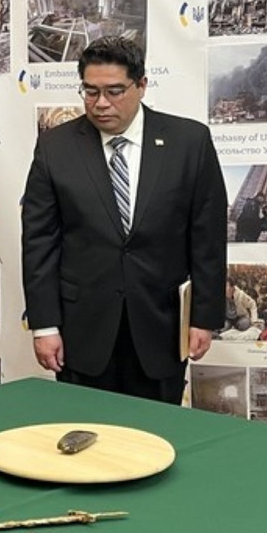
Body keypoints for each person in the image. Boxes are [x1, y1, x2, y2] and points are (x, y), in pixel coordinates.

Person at [20, 36, 227, 404]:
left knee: (155, 431)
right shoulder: (56, 147)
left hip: (161, 327)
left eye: (114, 91)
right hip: (82, 330)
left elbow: (207, 239)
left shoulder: (189, 142)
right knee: (84, 429)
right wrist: (44, 325)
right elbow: (39, 243)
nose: (101, 103)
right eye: (90, 91)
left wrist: (204, 318)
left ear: (141, 85)